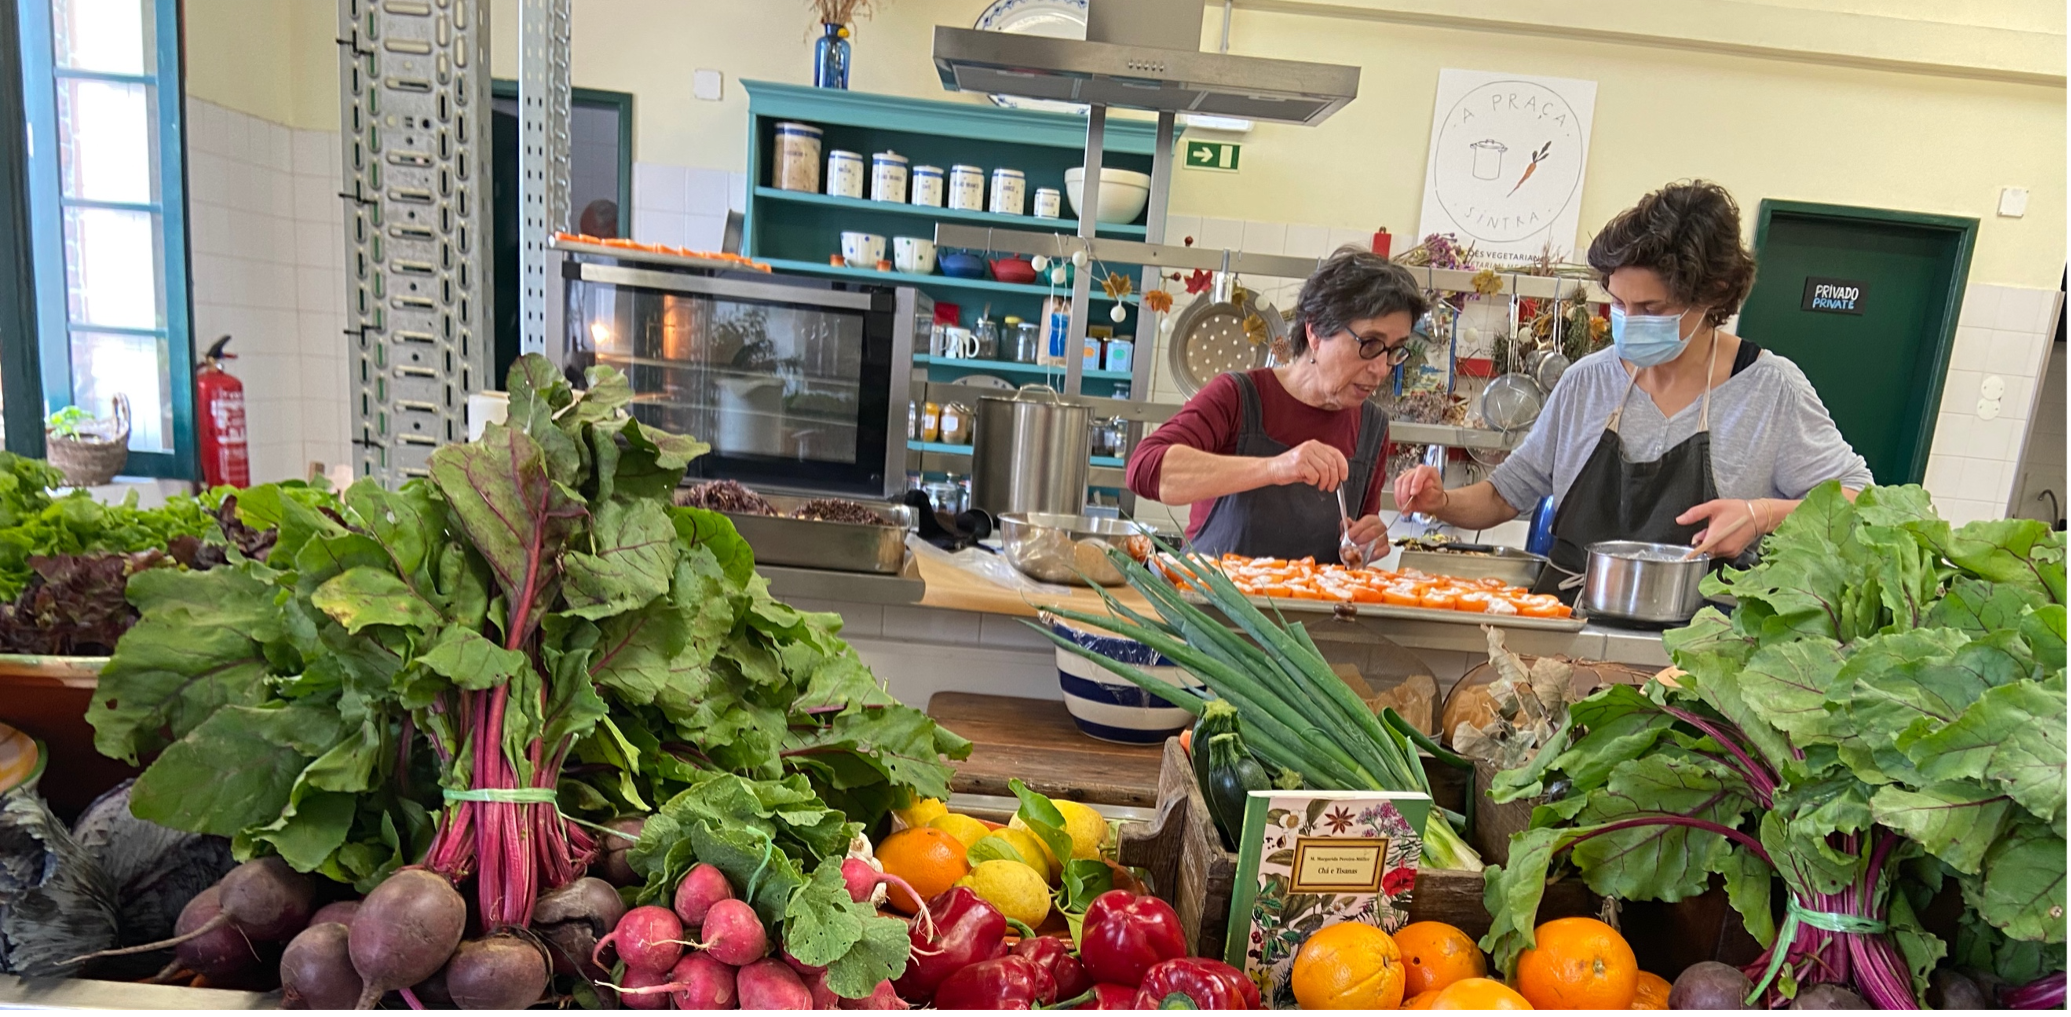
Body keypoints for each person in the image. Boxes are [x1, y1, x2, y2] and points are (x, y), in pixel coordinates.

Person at [1395, 180, 1873, 588]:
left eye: (1651, 309)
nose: (1629, 322)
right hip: (1571, 630)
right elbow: (1504, 495)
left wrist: (1761, 514)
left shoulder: (1769, 391)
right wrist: (1443, 503)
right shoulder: (1586, 383)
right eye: (1618, 304)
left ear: (1714, 295)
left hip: (1698, 659)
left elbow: (1860, 501)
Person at [1126, 248, 1427, 563]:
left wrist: (1368, 541)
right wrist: (1277, 467)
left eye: (1394, 351)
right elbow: (1146, 469)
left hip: (1314, 610)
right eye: (1369, 344)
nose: (1381, 368)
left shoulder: (1372, 427)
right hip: (1213, 607)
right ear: (1316, 332)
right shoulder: (1238, 397)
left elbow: (1360, 538)